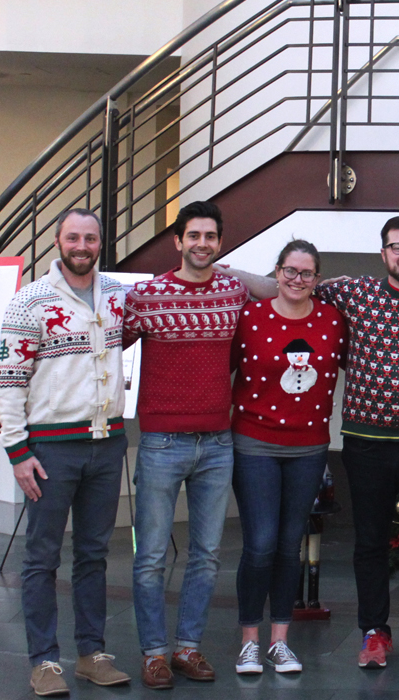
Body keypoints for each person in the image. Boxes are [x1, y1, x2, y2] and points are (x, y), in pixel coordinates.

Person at [229, 215, 399, 673]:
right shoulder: (353, 294)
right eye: (397, 247)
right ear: (383, 254)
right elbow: (285, 286)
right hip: (366, 443)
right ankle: (374, 632)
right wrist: (224, 272)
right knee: (370, 543)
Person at [0, 209, 132, 696]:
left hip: (106, 443)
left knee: (94, 554)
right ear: (58, 241)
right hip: (50, 450)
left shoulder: (118, 296)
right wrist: (17, 451)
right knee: (42, 557)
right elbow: (9, 383)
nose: (81, 244)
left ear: (100, 243)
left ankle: (93, 654)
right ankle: (45, 661)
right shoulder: (29, 300)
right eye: (73, 237)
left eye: (90, 237)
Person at [123, 201, 249, 689]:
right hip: (161, 443)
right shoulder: (148, 296)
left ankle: (188, 649)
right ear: (177, 241)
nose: (201, 243)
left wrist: (230, 269)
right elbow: (108, 346)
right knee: (151, 555)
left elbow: (275, 287)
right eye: (192, 235)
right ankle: (154, 653)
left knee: (207, 553)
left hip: (218, 443)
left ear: (220, 242)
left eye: (210, 236)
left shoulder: (232, 290)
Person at [229, 240, 347, 675]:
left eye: (307, 274)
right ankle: (248, 640)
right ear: (276, 272)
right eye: (290, 271)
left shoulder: (333, 320)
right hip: (254, 445)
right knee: (259, 545)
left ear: (318, 280)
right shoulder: (250, 318)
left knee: (287, 546)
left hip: (308, 449)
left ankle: (280, 640)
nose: (297, 280)